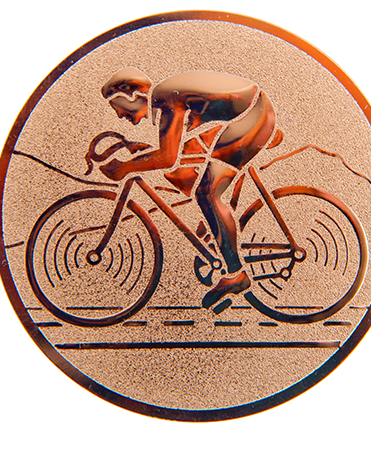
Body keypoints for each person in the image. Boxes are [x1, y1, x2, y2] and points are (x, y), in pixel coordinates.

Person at [94, 67, 277, 311]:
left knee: (208, 193)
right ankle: (212, 227)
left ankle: (235, 274)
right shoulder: (167, 97)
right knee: (187, 169)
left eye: (117, 106)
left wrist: (126, 167)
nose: (118, 115)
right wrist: (140, 155)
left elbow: (167, 157)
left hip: (252, 115)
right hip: (245, 113)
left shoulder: (165, 98)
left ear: (133, 94)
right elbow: (172, 151)